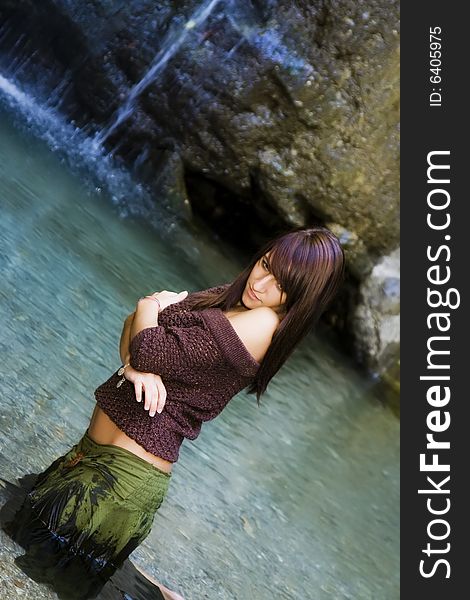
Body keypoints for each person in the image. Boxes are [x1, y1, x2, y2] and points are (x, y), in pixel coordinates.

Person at [1, 226, 345, 600]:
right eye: (265, 264)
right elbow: (132, 335)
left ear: (300, 299)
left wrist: (150, 305)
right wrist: (134, 364)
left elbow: (147, 341)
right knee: (29, 535)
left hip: (117, 481)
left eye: (280, 284)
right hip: (89, 460)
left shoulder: (262, 322)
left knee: (40, 561)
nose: (260, 283)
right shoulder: (230, 299)